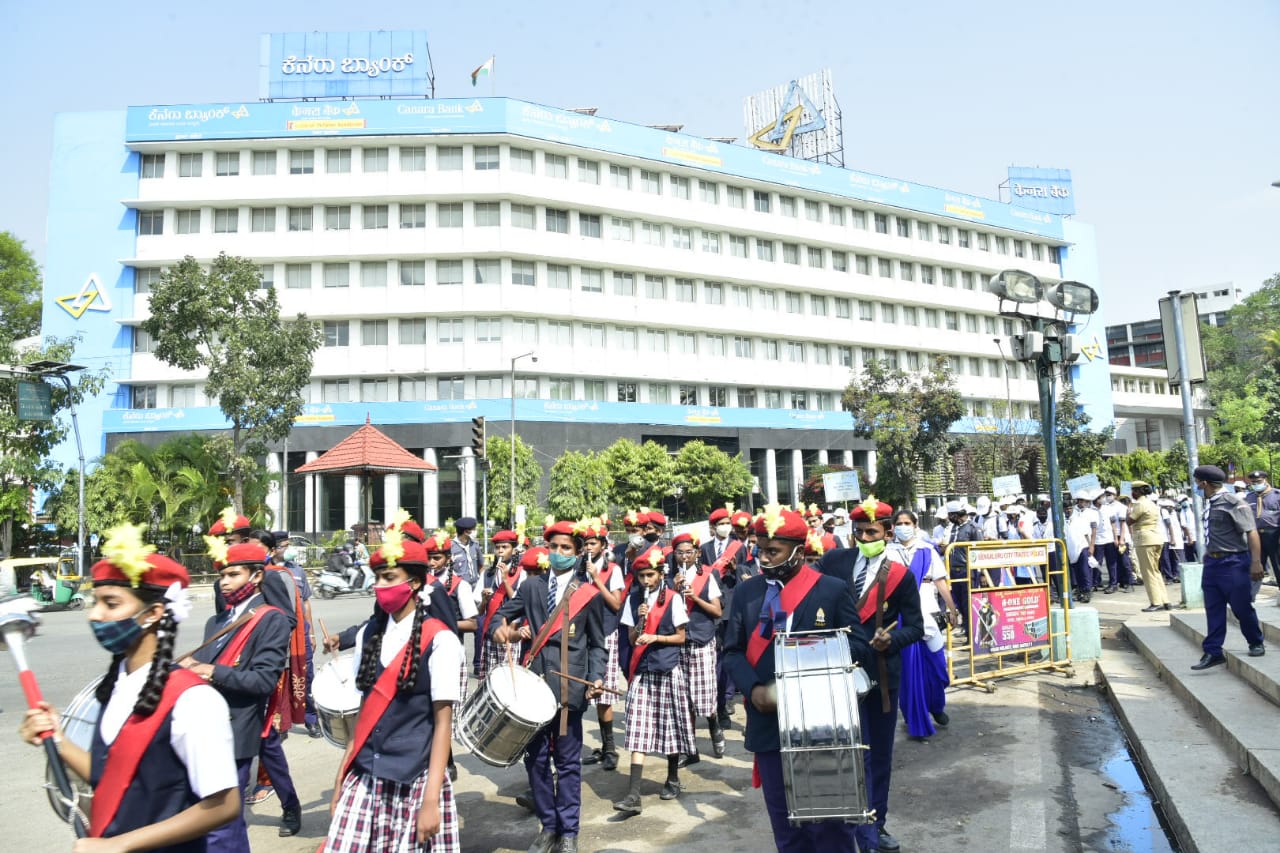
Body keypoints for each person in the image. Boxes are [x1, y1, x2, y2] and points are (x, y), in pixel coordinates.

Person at [17, 524, 240, 850]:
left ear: (153, 613)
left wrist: (119, 844)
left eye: (111, 603)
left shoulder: (194, 701)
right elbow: (114, 776)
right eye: (96, 602)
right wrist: (57, 739)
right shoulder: (118, 684)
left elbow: (224, 804)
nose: (94, 615)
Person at [722, 504, 871, 852]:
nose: (764, 557)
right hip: (769, 723)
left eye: (773, 551)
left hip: (822, 723)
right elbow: (732, 651)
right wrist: (755, 689)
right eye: (760, 549)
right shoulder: (747, 591)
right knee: (788, 828)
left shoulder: (830, 589)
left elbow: (859, 647)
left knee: (830, 827)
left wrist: (810, 663)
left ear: (799, 552)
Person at [323, 533, 462, 853]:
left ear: (413, 583)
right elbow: (363, 715)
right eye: (378, 578)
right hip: (366, 775)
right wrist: (340, 779)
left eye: (389, 578)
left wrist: (431, 801)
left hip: (415, 780)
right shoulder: (368, 635)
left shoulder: (440, 641)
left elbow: (443, 725)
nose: (380, 586)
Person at [491, 521, 607, 853]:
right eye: (553, 547)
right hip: (533, 689)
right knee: (537, 760)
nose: (558, 554)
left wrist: (597, 677)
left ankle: (569, 832)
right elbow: (498, 618)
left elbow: (598, 645)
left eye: (565, 548)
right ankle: (548, 825)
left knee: (569, 763)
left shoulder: (589, 595)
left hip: (570, 690)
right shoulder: (531, 588)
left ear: (578, 552)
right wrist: (508, 632)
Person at [818, 499, 924, 853]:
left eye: (872, 532)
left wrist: (892, 639)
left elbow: (917, 628)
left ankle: (875, 825)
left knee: (877, 755)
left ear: (888, 532)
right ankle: (842, 823)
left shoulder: (901, 576)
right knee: (839, 753)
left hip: (880, 677)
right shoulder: (834, 562)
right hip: (834, 672)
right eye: (859, 532)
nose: (864, 537)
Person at [183, 540, 296, 848]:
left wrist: (209, 671)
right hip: (205, 729)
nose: (225, 582)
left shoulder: (271, 619)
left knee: (224, 827)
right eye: (222, 576)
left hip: (237, 729)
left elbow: (262, 681)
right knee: (208, 824)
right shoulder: (216, 621)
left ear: (256, 576)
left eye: (233, 574)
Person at [612, 546, 698, 814]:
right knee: (637, 729)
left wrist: (656, 637)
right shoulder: (632, 599)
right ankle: (633, 795)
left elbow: (681, 637)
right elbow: (630, 638)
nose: (646, 581)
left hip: (667, 669)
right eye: (641, 576)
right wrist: (640, 622)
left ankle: (672, 778)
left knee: (670, 726)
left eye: (650, 575)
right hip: (642, 672)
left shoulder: (673, 599)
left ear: (661, 573)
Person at [888, 510, 956, 739]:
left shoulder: (927, 550)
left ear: (916, 525)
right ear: (893, 526)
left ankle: (936, 706)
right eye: (899, 523)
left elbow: (940, 580)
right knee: (909, 673)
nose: (903, 526)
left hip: (928, 613)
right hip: (901, 619)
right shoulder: (887, 552)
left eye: (907, 523)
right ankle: (915, 717)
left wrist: (952, 608)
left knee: (938, 669)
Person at [1191, 465, 1266, 670]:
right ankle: (1213, 651)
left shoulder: (1233, 502)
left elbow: (1251, 532)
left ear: (1205, 483)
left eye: (1197, 482)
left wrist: (1256, 561)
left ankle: (1256, 641)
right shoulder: (1211, 503)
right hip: (1213, 563)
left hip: (1233, 563)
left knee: (1241, 606)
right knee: (1213, 608)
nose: (1196, 486)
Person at [668, 531, 724, 765]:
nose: (684, 557)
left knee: (704, 694)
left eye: (689, 552)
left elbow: (717, 611)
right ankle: (689, 749)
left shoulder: (708, 576)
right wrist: (673, 590)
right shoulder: (670, 579)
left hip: (701, 639)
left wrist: (694, 598)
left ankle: (714, 727)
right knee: (683, 697)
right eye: (680, 553)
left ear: (697, 553)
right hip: (679, 640)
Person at [579, 520, 625, 771]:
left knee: (603, 693)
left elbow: (616, 605)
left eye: (593, 543)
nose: (589, 547)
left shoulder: (613, 570)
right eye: (586, 543)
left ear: (603, 545)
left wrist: (596, 580)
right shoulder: (578, 568)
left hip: (605, 633)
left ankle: (610, 748)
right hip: (581, 634)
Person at [476, 529, 525, 683]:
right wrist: (484, 600)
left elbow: (518, 601)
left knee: (509, 677)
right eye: (498, 548)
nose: (501, 551)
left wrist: (505, 579)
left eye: (505, 547)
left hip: (511, 631)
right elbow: (479, 611)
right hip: (491, 630)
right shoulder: (487, 574)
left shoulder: (521, 572)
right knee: (491, 678)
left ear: (514, 550)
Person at [1127, 481, 1171, 612]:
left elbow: (1129, 520)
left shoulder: (1140, 504)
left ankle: (1155, 602)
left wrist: (1128, 509)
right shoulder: (1151, 503)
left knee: (1148, 572)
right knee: (1155, 571)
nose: (1132, 493)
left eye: (1134, 491)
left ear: (1139, 491)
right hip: (1156, 538)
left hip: (1145, 540)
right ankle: (1165, 600)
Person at [1245, 470, 1280, 594]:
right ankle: (1249, 597)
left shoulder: (1277, 495)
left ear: (1265, 480)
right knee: (1255, 567)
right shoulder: (1249, 497)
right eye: (1253, 482)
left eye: (1258, 482)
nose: (1256, 484)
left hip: (1274, 535)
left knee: (1278, 565)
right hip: (1255, 536)